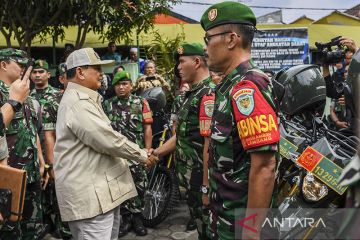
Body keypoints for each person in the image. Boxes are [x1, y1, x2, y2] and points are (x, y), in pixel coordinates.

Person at [54, 48, 157, 240]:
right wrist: (142, 155)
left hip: (100, 194)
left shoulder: (86, 99)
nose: (101, 73)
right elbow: (107, 140)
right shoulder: (79, 103)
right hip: (91, 199)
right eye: (96, 68)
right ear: (80, 72)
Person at [200, 2, 280, 239]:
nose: (205, 48)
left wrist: (252, 230)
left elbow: (265, 165)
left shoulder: (249, 87)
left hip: (239, 224)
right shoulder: (229, 85)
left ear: (231, 39)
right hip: (224, 216)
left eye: (208, 38)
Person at [151, 42, 215, 239]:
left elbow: (210, 144)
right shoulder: (189, 95)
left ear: (197, 62)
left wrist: (205, 186)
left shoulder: (209, 94)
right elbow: (181, 136)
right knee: (201, 227)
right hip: (190, 181)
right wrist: (156, 153)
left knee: (211, 230)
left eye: (181, 62)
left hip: (203, 181)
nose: (177, 67)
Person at [0, 48, 48, 240]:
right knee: (10, 231)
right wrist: (13, 101)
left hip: (31, 172)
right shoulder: (8, 95)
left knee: (32, 229)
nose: (24, 69)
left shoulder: (24, 93)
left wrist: (42, 162)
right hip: (8, 178)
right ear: (3, 64)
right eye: (19, 64)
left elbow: (32, 129)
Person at [103, 71, 153, 237]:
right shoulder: (107, 105)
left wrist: (147, 150)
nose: (121, 87)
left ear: (131, 86)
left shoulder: (141, 102)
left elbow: (147, 127)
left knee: (139, 186)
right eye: (118, 84)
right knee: (120, 187)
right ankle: (126, 219)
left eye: (125, 84)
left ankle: (138, 219)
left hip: (137, 154)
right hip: (117, 156)